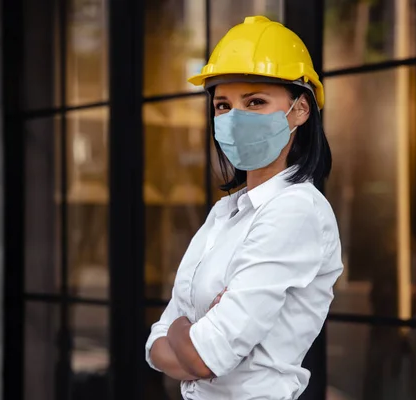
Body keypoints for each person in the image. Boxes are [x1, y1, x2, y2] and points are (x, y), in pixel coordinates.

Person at [145, 15, 344, 400]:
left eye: (255, 101)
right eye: (222, 105)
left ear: (301, 110)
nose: (235, 118)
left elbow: (204, 357)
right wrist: (186, 330)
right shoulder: (226, 213)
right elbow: (153, 348)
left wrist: (180, 328)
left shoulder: (296, 211)